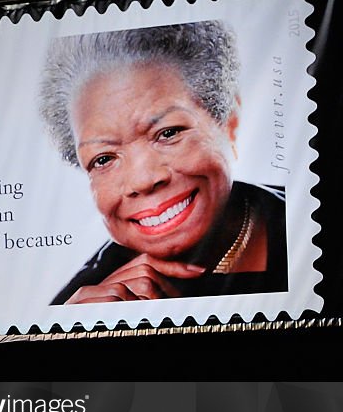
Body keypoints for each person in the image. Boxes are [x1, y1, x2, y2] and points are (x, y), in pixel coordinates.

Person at [37, 20, 287, 305]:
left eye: (168, 133)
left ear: (228, 122)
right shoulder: (77, 307)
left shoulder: (308, 223)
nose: (143, 180)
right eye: (104, 158)